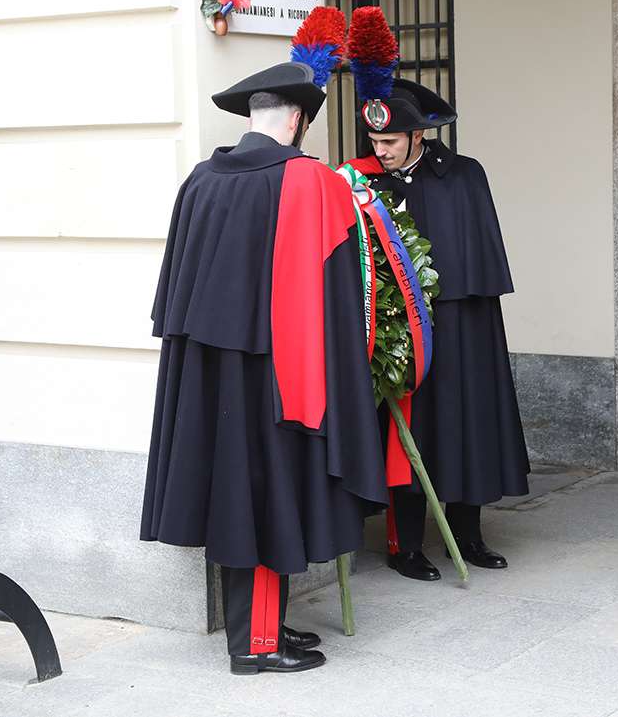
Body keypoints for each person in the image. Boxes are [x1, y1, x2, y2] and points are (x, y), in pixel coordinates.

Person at [140, 62, 386, 675]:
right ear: (298, 121)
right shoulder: (312, 182)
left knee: (240, 492)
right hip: (279, 373)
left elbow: (175, 293)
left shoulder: (199, 180)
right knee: (269, 490)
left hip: (210, 372)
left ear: (253, 118)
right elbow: (339, 297)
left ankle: (265, 625)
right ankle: (254, 644)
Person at [345, 76, 530, 582]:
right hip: (399, 331)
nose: (380, 151)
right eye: (375, 142)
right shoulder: (365, 185)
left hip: (463, 326)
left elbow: (480, 259)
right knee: (406, 433)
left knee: (467, 423)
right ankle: (404, 546)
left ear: (418, 136)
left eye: (390, 142)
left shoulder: (465, 175)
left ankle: (467, 535)